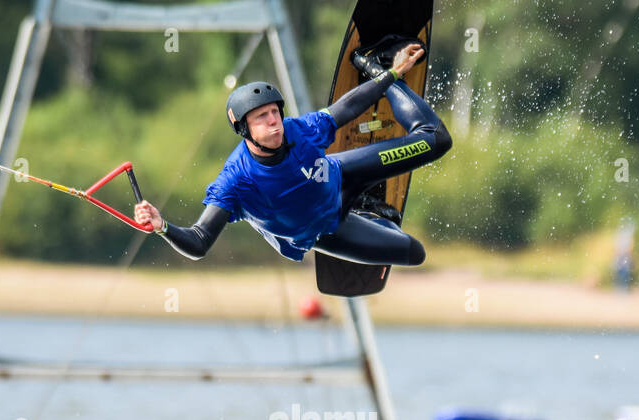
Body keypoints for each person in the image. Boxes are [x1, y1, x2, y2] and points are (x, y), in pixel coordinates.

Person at [133, 35, 451, 268]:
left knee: (437, 140)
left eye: (275, 112)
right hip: (323, 231)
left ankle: (372, 61)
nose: (274, 121)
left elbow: (348, 107)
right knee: (414, 253)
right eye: (262, 117)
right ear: (243, 129)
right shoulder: (236, 181)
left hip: (339, 176)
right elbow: (199, 241)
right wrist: (162, 226)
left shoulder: (301, 130)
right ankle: (369, 211)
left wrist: (391, 73)